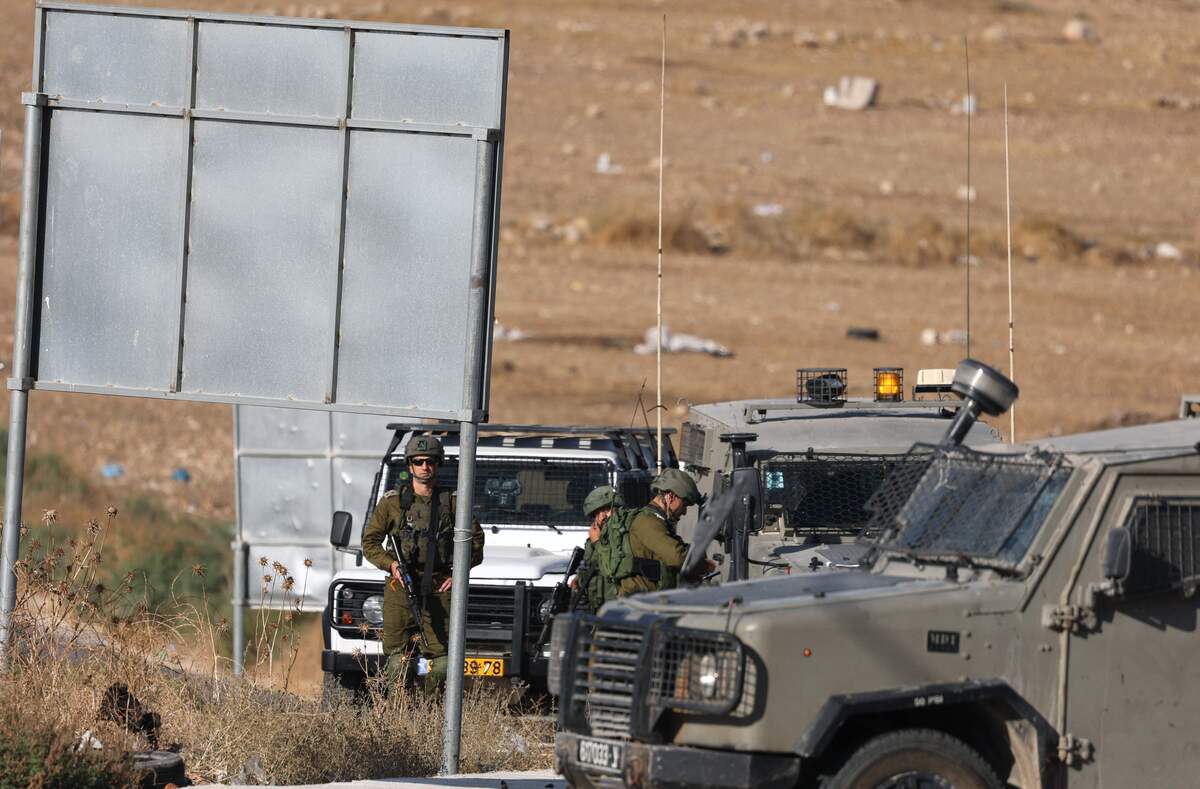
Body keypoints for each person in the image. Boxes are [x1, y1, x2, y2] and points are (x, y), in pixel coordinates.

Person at [360, 435, 484, 687]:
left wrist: (457, 574)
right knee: (398, 660)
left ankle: (430, 714)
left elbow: (476, 543)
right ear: (410, 465)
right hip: (401, 587)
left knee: (443, 663)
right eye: (418, 462)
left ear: (438, 464)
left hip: (439, 588)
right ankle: (400, 714)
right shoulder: (392, 503)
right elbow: (370, 543)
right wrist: (392, 565)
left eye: (430, 462)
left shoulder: (453, 503)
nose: (424, 467)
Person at [618, 468, 713, 596]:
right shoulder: (647, 522)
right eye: (684, 504)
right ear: (671, 496)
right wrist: (704, 566)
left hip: (651, 599)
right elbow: (677, 557)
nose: (684, 512)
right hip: (640, 604)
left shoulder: (658, 521)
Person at [574, 485, 622, 612]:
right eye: (598, 512)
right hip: (596, 602)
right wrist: (578, 579)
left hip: (613, 603)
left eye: (606, 510)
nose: (601, 516)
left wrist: (597, 542)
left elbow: (612, 565)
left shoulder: (622, 536)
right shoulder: (595, 538)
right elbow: (590, 564)